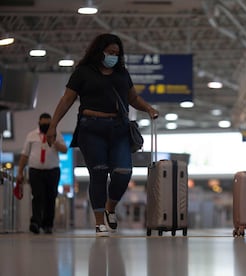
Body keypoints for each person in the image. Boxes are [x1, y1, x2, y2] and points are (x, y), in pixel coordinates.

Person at [45, 33, 159, 237]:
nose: (114, 56)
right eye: (110, 52)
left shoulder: (121, 73)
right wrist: (53, 125)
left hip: (119, 128)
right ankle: (99, 223)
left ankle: (111, 207)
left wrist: (149, 109)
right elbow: (67, 100)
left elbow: (132, 98)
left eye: (117, 53)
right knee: (98, 173)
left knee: (123, 172)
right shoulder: (83, 72)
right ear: (100, 51)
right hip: (92, 128)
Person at [17, 113, 68, 234]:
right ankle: (35, 222)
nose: (45, 125)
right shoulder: (31, 135)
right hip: (35, 171)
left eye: (48, 124)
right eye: (43, 123)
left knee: (51, 197)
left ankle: (48, 224)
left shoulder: (57, 134)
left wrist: (54, 141)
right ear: (39, 123)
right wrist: (20, 172)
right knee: (37, 196)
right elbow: (25, 155)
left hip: (52, 171)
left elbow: (65, 150)